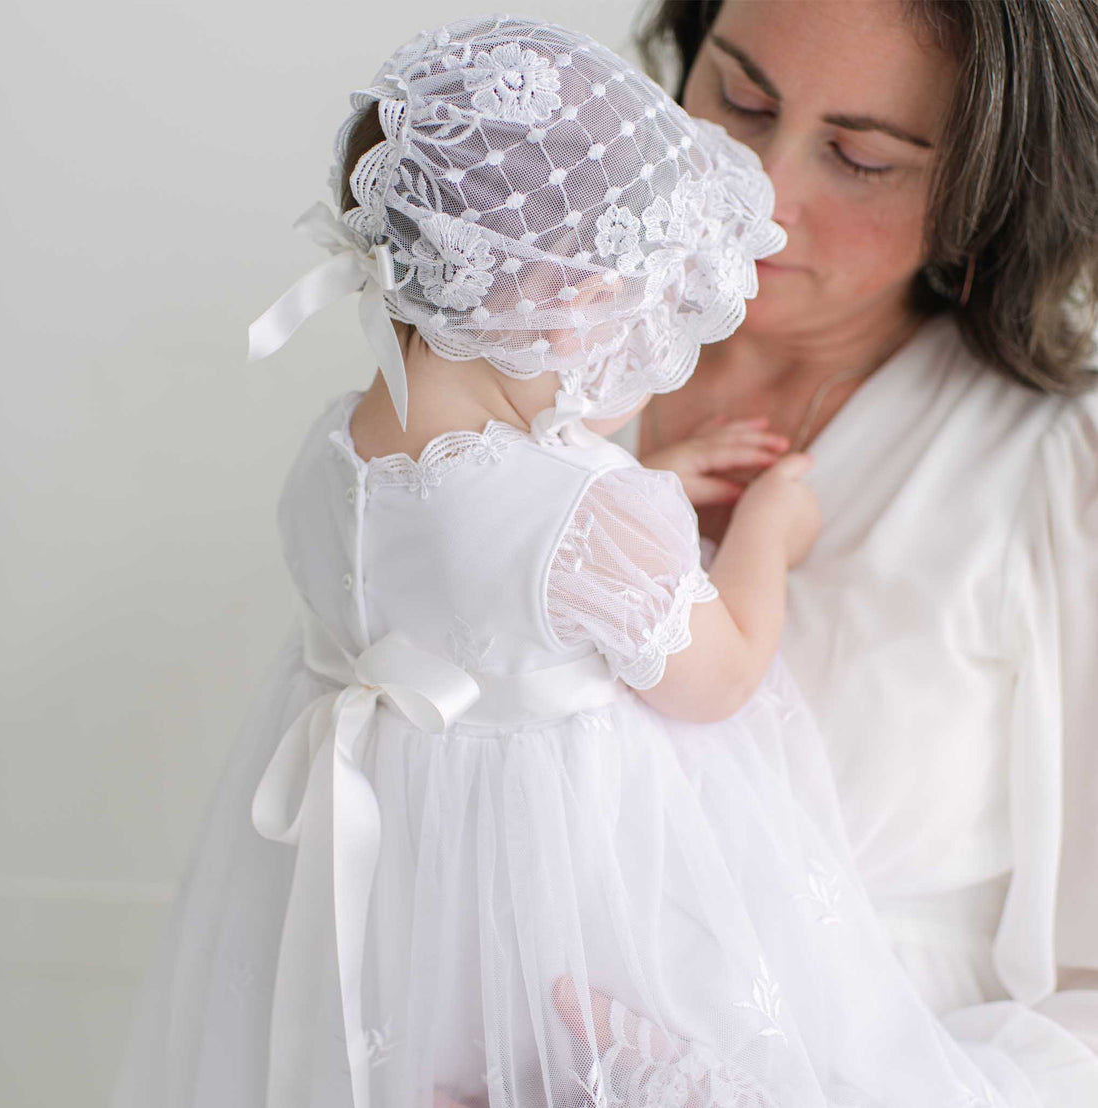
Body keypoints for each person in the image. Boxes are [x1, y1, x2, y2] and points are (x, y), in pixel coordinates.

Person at [113, 14, 1019, 1108]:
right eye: (638, 319)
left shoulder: (332, 451)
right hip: (564, 921)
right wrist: (767, 533)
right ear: (570, 308)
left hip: (384, 916)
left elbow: (484, 553)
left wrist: (636, 487)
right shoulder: (589, 510)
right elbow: (717, 675)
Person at [563, 1, 1098, 1104]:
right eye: (740, 99)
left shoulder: (1051, 472)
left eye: (861, 157)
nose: (754, 194)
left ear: (980, 198)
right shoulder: (537, 356)